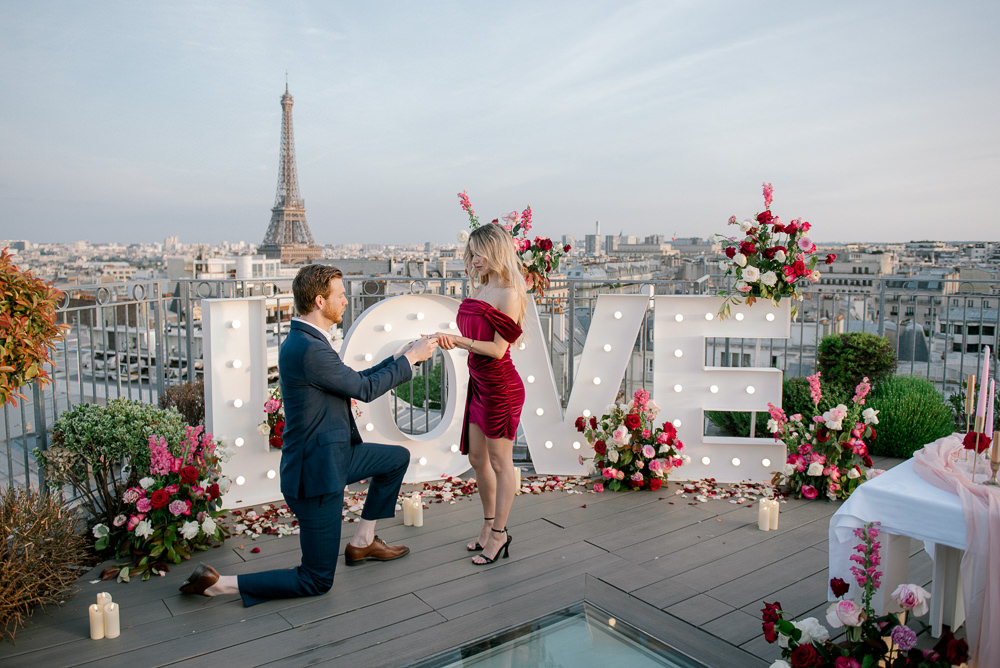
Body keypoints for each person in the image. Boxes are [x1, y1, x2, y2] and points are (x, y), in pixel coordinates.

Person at [179, 264, 437, 605]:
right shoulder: (309, 348)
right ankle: (219, 584)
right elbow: (363, 389)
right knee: (316, 579)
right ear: (319, 301)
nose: (346, 301)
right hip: (317, 476)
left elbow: (349, 379)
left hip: (336, 457)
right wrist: (411, 360)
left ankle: (363, 541)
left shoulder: (307, 340)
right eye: (341, 295)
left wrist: (400, 356)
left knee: (395, 459)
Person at [434, 222, 527, 565]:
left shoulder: (509, 294)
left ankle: (500, 535)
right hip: (480, 383)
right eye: (471, 253)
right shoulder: (480, 289)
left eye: (480, 252)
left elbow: (499, 350)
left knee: (502, 464)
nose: (474, 259)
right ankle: (489, 525)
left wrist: (458, 341)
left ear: (497, 251)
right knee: (476, 459)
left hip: (501, 387)